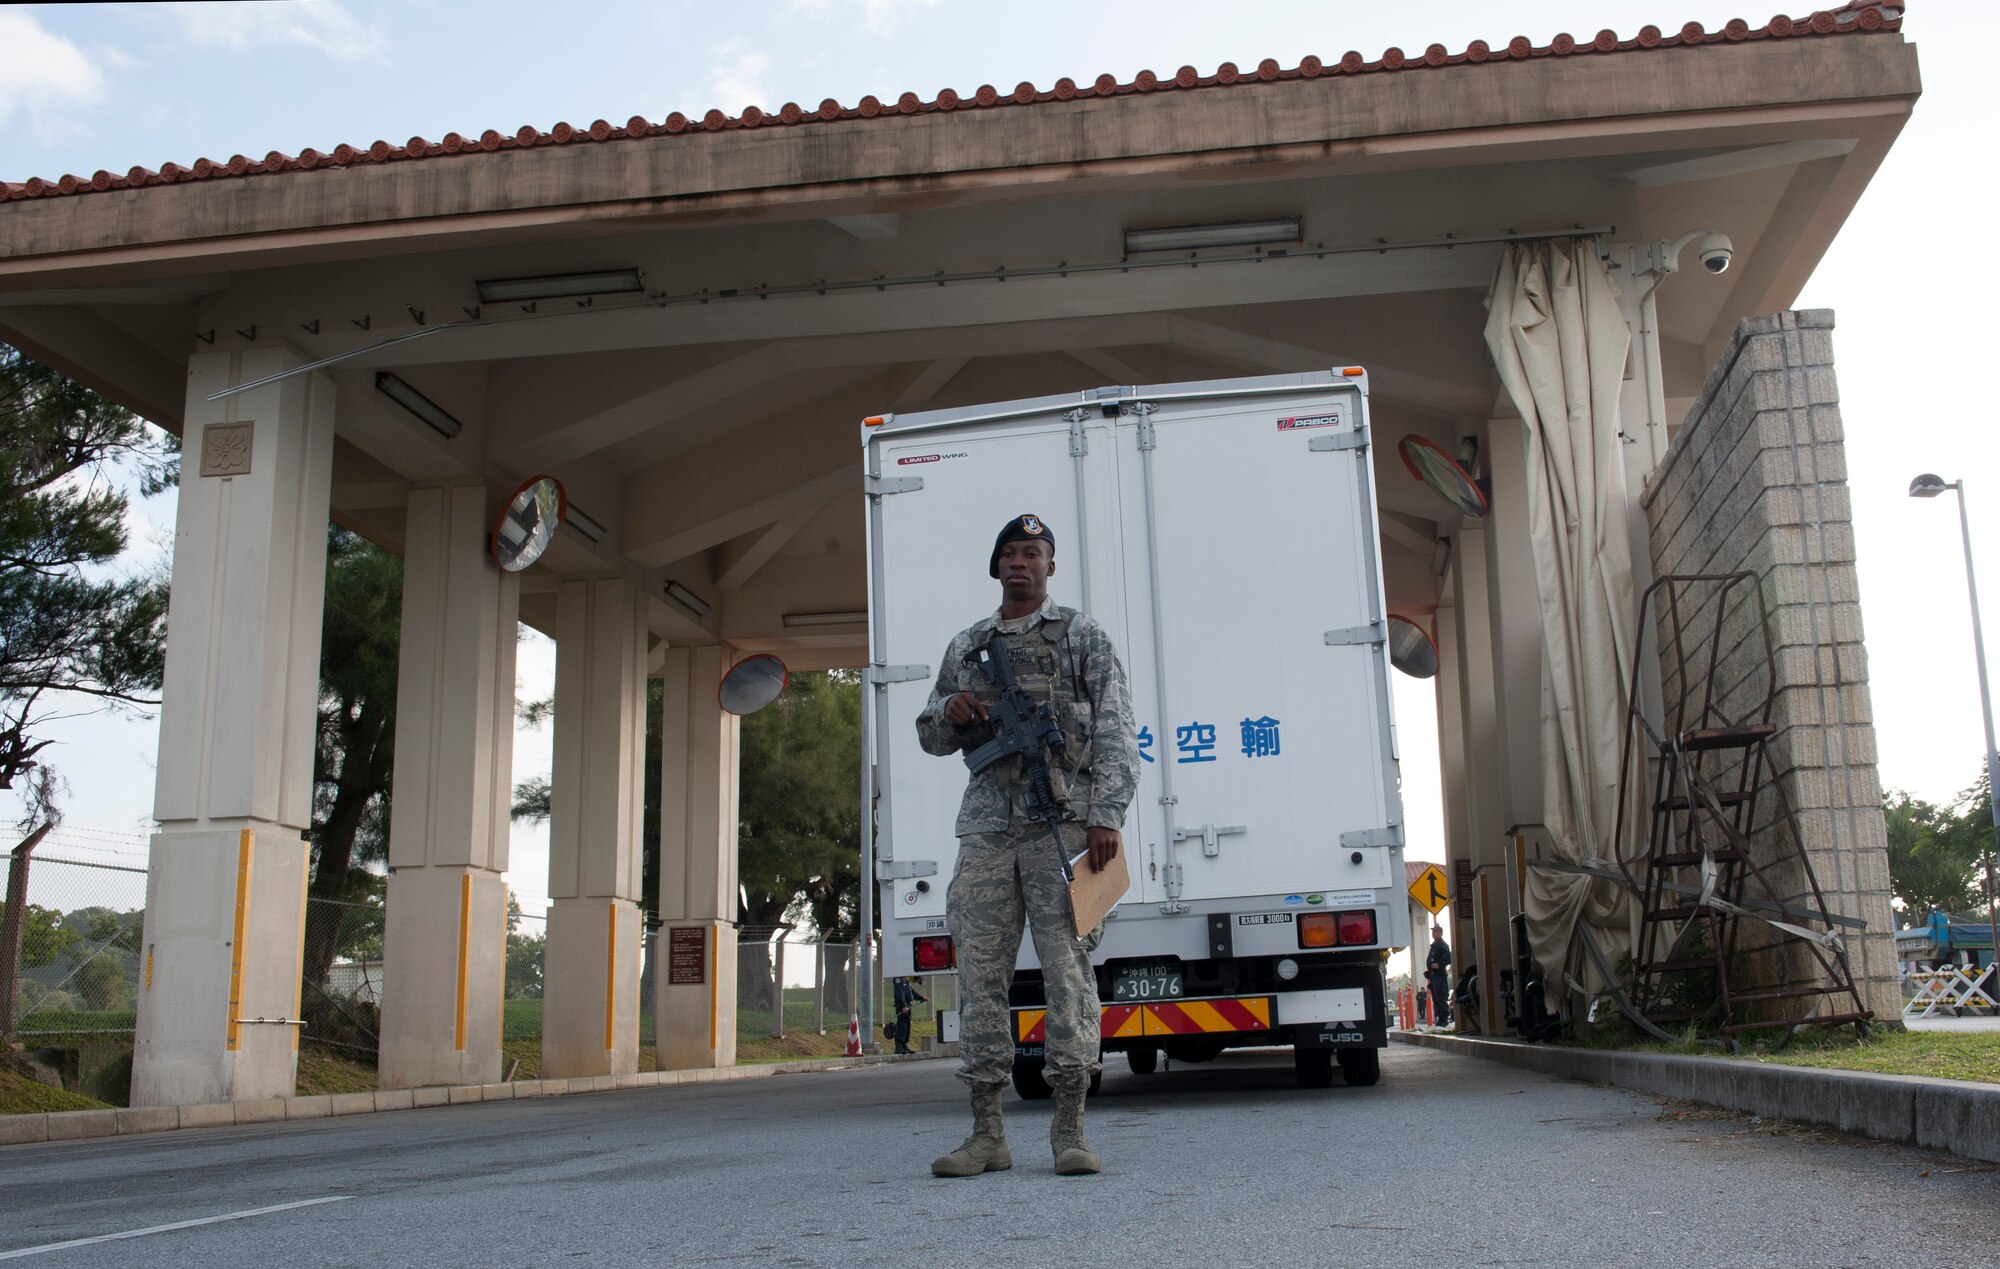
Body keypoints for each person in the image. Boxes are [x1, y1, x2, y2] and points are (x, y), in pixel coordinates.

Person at [916, 513, 1138, 1178]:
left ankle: (1069, 1129)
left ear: (1050, 566)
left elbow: (1116, 725)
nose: (1020, 562)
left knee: (1067, 972)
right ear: (997, 567)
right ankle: (987, 1133)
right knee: (980, 974)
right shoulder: (969, 643)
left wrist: (1106, 814)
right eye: (1010, 553)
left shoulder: (1081, 635)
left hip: (1064, 824)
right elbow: (930, 733)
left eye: (1032, 553)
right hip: (987, 828)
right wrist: (951, 710)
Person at [1425, 924, 1453, 1028]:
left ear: (1440, 933)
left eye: (1435, 931)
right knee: (1436, 998)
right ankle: (1439, 1019)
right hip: (1433, 976)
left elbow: (1447, 959)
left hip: (1440, 976)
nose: (1433, 933)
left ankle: (1444, 1019)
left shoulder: (1443, 945)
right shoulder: (1434, 945)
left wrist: (1439, 965)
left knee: (1441, 997)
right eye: (1432, 931)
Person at [892, 977, 928, 1055]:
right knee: (902, 1025)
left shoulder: (906, 981)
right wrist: (903, 1005)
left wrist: (921, 997)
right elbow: (899, 993)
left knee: (907, 1026)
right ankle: (898, 1046)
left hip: (908, 1006)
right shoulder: (898, 979)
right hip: (902, 1006)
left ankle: (904, 1044)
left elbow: (912, 992)